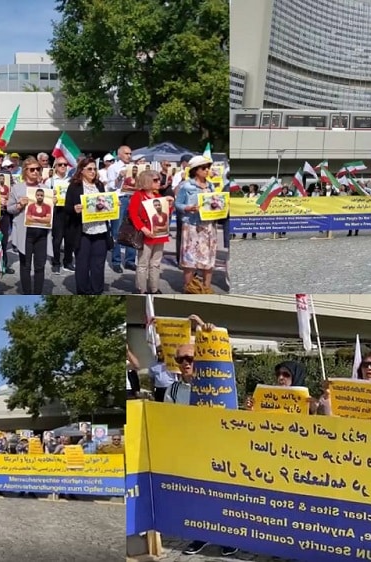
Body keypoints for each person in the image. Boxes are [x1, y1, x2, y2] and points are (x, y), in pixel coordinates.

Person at [166, 316, 239, 558]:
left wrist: (208, 331)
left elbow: (219, 350)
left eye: (190, 358)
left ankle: (229, 538)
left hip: (220, 450)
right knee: (198, 498)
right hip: (192, 451)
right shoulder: (173, 390)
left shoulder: (218, 382)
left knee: (223, 495)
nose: (186, 363)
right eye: (181, 359)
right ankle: (200, 536)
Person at [64, 157, 110, 294]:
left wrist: (112, 205)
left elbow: (105, 203)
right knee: (82, 264)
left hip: (100, 229)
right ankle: (83, 292)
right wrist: (74, 209)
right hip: (82, 231)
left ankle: (97, 291)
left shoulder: (100, 185)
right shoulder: (74, 187)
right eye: (89, 169)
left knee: (98, 264)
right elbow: (66, 208)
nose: (93, 171)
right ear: (81, 171)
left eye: (94, 169)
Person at [174, 156, 218, 294]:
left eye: (208, 168)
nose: (206, 170)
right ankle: (189, 287)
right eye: (203, 168)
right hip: (192, 224)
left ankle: (206, 287)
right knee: (190, 258)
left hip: (208, 225)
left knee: (208, 257)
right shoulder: (186, 186)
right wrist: (188, 208)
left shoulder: (211, 185)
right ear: (195, 170)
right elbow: (178, 204)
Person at [9, 157, 50, 295]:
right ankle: (26, 293)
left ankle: (38, 292)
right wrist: (20, 205)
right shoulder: (17, 188)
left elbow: (49, 211)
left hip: (42, 233)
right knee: (25, 265)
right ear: (25, 171)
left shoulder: (45, 188)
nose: (35, 172)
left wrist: (53, 202)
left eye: (38, 169)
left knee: (40, 265)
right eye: (32, 169)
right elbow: (9, 209)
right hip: (25, 232)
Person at [129, 170, 173, 294]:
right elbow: (133, 214)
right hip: (146, 234)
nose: (159, 182)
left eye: (159, 179)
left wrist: (169, 204)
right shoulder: (138, 195)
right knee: (143, 263)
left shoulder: (158, 196)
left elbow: (165, 214)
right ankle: (141, 289)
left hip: (159, 234)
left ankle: (154, 288)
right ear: (147, 181)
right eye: (155, 180)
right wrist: (143, 228)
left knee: (156, 263)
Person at [106, 145, 137, 273]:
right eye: (126, 153)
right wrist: (119, 177)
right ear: (119, 155)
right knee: (117, 230)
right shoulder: (113, 168)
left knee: (133, 229)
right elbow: (111, 186)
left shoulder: (134, 167)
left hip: (133, 199)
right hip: (120, 199)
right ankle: (116, 261)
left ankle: (130, 260)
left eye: (130, 153)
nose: (129, 156)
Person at [49, 157, 74, 274]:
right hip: (57, 212)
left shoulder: (72, 180)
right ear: (55, 167)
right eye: (60, 165)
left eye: (65, 164)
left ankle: (68, 262)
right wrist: (51, 197)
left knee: (70, 239)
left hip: (69, 211)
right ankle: (56, 262)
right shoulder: (50, 181)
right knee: (57, 240)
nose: (63, 166)